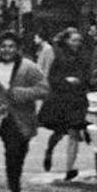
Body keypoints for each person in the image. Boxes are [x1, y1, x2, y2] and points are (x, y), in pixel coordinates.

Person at [0, 32, 50, 192]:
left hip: (23, 118)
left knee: (19, 152)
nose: (7, 50)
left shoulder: (29, 67)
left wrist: (23, 93)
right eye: (3, 46)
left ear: (17, 49)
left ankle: (15, 180)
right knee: (11, 151)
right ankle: (15, 189)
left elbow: (44, 89)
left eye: (11, 47)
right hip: (2, 118)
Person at [40, 28, 93, 180]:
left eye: (79, 41)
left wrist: (85, 82)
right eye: (74, 40)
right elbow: (52, 78)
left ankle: (69, 168)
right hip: (61, 99)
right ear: (66, 41)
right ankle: (49, 151)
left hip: (77, 99)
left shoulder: (83, 56)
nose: (77, 44)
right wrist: (66, 81)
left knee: (74, 132)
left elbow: (87, 76)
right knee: (59, 132)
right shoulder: (58, 56)